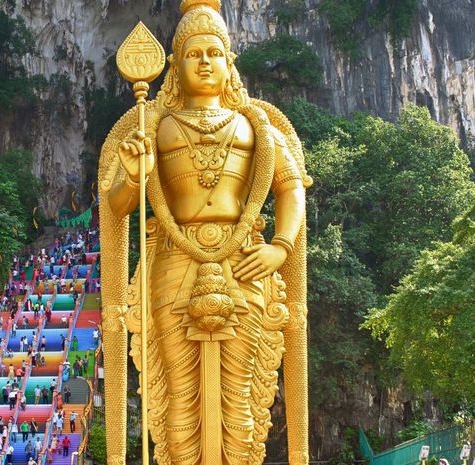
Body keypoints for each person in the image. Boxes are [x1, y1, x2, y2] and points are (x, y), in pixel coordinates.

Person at [98, 1, 310, 463]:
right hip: (175, 259)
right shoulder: (153, 126)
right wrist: (135, 175)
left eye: (215, 52)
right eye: (194, 54)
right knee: (177, 394)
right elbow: (116, 208)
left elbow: (291, 189)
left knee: (241, 394)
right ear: (175, 65)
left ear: (230, 62)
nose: (206, 62)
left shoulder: (257, 126)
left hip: (245, 260)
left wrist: (281, 246)